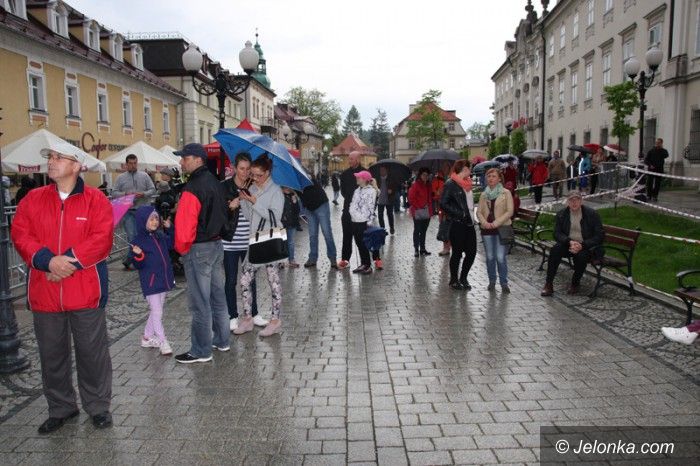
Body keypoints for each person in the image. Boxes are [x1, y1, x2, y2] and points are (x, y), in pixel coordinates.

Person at [11, 143, 114, 433]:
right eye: (50, 157)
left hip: (85, 291)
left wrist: (65, 262)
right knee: (51, 356)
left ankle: (98, 406)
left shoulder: (96, 200)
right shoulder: (32, 199)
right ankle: (61, 407)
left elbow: (102, 238)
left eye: (59, 157)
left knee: (92, 354)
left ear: (77, 165)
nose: (51, 161)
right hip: (45, 292)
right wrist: (48, 261)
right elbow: (20, 233)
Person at [173, 143, 230, 363]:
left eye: (185, 158)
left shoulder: (192, 188)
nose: (181, 162)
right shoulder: (215, 182)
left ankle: (201, 350)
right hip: (216, 245)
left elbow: (184, 227)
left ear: (198, 160)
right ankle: (222, 340)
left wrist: (182, 250)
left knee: (199, 302)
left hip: (198, 248)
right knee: (218, 297)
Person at [234, 154, 286, 337]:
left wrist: (255, 202)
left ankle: (275, 321)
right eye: (253, 174)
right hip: (255, 241)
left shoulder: (276, 191)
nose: (255, 178)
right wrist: (243, 200)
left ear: (268, 173)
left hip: (270, 241)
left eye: (259, 175)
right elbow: (250, 217)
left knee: (274, 282)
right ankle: (247, 318)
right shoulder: (253, 188)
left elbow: (275, 217)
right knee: (244, 280)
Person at [220, 153, 265, 332]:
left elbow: (262, 211)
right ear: (234, 168)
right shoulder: (224, 187)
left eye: (248, 169)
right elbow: (217, 213)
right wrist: (229, 207)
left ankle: (254, 313)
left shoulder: (254, 186)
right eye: (242, 169)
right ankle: (232, 316)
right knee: (231, 280)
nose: (245, 172)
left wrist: (253, 201)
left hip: (249, 241)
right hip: (230, 242)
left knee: (251, 279)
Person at [129, 206, 175, 356]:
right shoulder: (137, 241)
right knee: (157, 311)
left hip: (163, 279)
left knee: (156, 311)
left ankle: (147, 337)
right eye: (151, 219)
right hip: (150, 282)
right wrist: (138, 255)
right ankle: (162, 341)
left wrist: (170, 229)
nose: (155, 221)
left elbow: (172, 244)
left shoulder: (159, 236)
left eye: (156, 218)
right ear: (143, 221)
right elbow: (138, 264)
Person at [540, 191, 604, 297]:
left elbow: (599, 235)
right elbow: (557, 233)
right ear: (567, 202)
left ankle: (575, 283)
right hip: (569, 243)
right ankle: (548, 284)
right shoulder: (562, 214)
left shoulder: (592, 214)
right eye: (571, 200)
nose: (574, 202)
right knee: (555, 250)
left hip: (587, 246)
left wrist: (582, 245)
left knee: (581, 256)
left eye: (577, 200)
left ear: (581, 201)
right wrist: (569, 241)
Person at [112, 154, 156, 270]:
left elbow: (153, 189)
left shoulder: (144, 176)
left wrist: (144, 194)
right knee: (131, 236)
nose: (133, 165)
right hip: (128, 211)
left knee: (144, 234)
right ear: (126, 164)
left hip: (143, 211)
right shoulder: (120, 178)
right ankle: (134, 259)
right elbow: (114, 193)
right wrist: (125, 194)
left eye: (135, 163)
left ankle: (134, 258)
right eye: (130, 163)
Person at [440, 160, 477, 290]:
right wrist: (460, 213)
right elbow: (443, 203)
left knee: (471, 252)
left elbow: (469, 203)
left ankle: (463, 278)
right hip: (457, 223)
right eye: (469, 168)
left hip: (470, 223)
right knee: (457, 253)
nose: (471, 170)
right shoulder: (450, 184)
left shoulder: (468, 183)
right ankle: (454, 280)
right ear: (464, 169)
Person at [477, 168, 515, 293]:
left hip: (501, 228)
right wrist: (484, 223)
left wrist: (496, 223)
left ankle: (504, 282)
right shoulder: (484, 194)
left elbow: (510, 211)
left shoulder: (506, 193)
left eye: (493, 176)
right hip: (487, 229)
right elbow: (479, 212)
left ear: (499, 179)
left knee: (500, 257)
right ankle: (492, 281)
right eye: (489, 176)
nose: (491, 178)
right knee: (490, 257)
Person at [299, 175, 338, 269]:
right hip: (309, 208)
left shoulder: (305, 175)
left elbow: (311, 182)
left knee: (326, 232)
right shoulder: (292, 182)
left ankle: (332, 258)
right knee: (312, 235)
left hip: (321, 204)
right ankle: (312, 258)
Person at [348, 170, 379, 274]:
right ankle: (363, 263)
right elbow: (353, 203)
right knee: (359, 243)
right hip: (354, 220)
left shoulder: (371, 191)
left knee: (364, 244)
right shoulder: (357, 190)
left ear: (365, 179)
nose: (357, 179)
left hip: (363, 222)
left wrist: (366, 220)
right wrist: (352, 212)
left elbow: (370, 208)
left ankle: (368, 266)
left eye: (359, 177)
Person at [338, 151, 365, 269]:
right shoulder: (345, 174)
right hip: (347, 210)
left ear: (358, 159)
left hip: (361, 212)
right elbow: (343, 191)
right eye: (349, 159)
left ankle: (365, 261)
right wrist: (351, 199)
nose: (349, 161)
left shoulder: (365, 173)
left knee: (362, 237)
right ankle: (345, 259)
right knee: (347, 236)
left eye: (351, 159)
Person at [408, 167, 433, 257]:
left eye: (427, 175)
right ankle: (416, 249)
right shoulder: (416, 185)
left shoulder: (429, 185)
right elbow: (411, 198)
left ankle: (422, 249)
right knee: (417, 230)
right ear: (420, 175)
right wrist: (419, 206)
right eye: (424, 175)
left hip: (427, 211)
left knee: (423, 231)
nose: (425, 177)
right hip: (418, 211)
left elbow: (431, 197)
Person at [281, 187, 301, 268]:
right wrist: (283, 216)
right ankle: (281, 261)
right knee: (281, 242)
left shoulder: (293, 195)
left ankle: (291, 260)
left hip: (292, 222)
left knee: (291, 242)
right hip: (282, 223)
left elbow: (298, 210)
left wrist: (295, 202)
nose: (288, 188)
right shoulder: (279, 195)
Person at [375, 165, 398, 235]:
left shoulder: (391, 178)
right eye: (380, 170)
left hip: (389, 199)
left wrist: (392, 190)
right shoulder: (377, 179)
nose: (381, 171)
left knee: (390, 215)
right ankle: (383, 229)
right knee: (380, 216)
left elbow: (396, 187)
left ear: (386, 170)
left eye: (383, 170)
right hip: (380, 200)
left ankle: (392, 227)